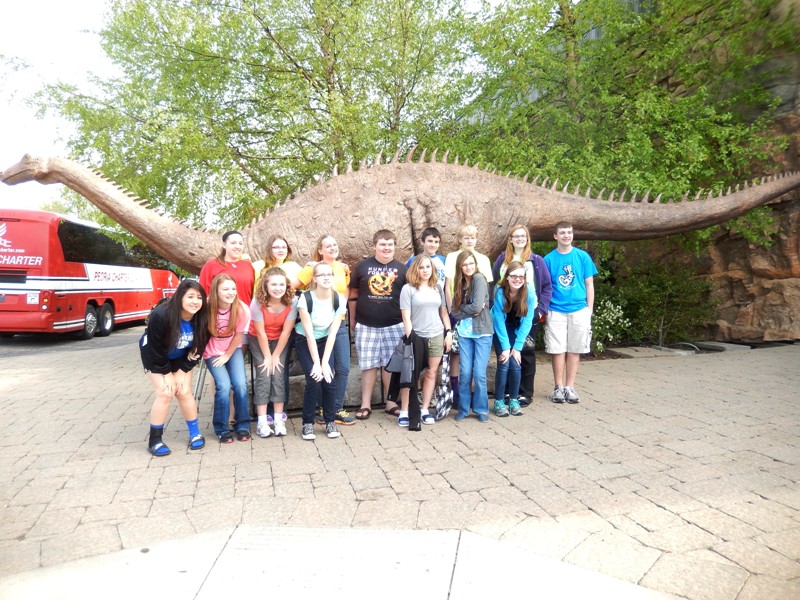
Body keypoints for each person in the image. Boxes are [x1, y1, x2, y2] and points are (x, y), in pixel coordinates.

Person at [140, 279, 210, 457]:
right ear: (180, 297)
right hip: (155, 356)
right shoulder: (161, 315)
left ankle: (195, 433)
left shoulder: (203, 317)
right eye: (190, 296)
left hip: (181, 356)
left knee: (184, 391)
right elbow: (155, 349)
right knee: (165, 392)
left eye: (199, 297)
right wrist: (167, 374)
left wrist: (182, 371)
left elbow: (199, 348)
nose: (195, 301)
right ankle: (154, 440)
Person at [295, 234, 353, 425]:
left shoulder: (342, 268)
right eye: (328, 246)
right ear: (320, 250)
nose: (332, 248)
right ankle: (323, 409)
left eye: (335, 244)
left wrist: (341, 308)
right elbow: (292, 286)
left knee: (343, 367)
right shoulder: (312, 268)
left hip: (336, 322)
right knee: (320, 368)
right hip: (315, 326)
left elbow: (345, 290)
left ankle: (335, 408)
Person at [349, 229, 407, 420]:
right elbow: (353, 295)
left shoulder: (402, 269)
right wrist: (353, 320)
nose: (386, 248)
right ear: (375, 246)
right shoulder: (362, 267)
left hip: (395, 325)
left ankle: (391, 403)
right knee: (368, 365)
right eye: (382, 244)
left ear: (394, 246)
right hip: (367, 325)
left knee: (390, 366)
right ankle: (365, 404)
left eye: (390, 244)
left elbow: (408, 299)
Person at [492, 224, 552, 406]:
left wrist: (540, 310)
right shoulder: (502, 259)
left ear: (527, 239)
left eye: (523, 236)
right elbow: (494, 282)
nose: (520, 239)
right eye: (516, 236)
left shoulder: (536, 260)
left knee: (525, 351)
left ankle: (525, 392)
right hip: (505, 310)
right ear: (510, 239)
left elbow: (547, 286)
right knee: (506, 350)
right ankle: (508, 392)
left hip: (527, 311)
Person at [543, 221, 598, 404]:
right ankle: (558, 387)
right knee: (557, 349)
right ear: (555, 236)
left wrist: (589, 309)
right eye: (562, 233)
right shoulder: (548, 259)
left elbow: (589, 284)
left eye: (569, 232)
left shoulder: (582, 257)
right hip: (556, 310)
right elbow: (545, 287)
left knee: (575, 349)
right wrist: (546, 309)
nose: (566, 235)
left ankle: (570, 387)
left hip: (579, 309)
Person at [397, 255, 453, 428]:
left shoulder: (437, 287)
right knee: (411, 375)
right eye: (421, 267)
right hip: (417, 335)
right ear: (416, 269)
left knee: (431, 373)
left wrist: (448, 332)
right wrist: (411, 337)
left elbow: (443, 312)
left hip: (436, 334)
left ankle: (425, 409)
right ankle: (405, 410)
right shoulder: (408, 289)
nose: (425, 270)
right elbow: (405, 317)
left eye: (428, 267)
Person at [443, 225, 494, 399]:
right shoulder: (452, 257)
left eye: (473, 237)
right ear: (460, 239)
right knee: (455, 353)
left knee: (475, 359)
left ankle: (473, 395)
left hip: (476, 314)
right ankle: (456, 391)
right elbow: (448, 286)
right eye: (466, 237)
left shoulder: (483, 259)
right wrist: (453, 310)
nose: (470, 241)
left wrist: (479, 308)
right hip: (457, 308)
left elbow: (486, 289)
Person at [204, 273, 252, 442]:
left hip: (232, 350)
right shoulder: (206, 307)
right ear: (216, 290)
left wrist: (227, 355)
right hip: (212, 351)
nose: (230, 292)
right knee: (223, 386)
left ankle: (243, 425)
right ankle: (221, 428)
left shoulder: (241, 309)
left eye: (233, 288)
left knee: (240, 384)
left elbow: (238, 335)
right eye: (225, 289)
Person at [249, 267, 296, 438]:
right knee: (264, 373)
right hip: (258, 338)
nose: (278, 288)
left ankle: (278, 419)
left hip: (280, 339)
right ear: (266, 286)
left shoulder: (292, 302)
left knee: (278, 373)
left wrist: (275, 356)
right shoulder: (257, 303)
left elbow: (286, 332)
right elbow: (260, 333)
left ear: (287, 285)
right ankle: (262, 421)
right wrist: (267, 357)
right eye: (274, 284)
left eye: (281, 284)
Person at [450, 251, 493, 422]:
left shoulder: (479, 279)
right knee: (465, 372)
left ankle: (481, 409)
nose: (468, 267)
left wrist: (464, 308)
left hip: (482, 331)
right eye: (465, 264)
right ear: (460, 267)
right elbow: (454, 311)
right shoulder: (459, 283)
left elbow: (477, 308)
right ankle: (463, 409)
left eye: (471, 263)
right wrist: (468, 309)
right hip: (464, 333)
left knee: (479, 373)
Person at [491, 261, 537, 416]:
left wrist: (516, 348)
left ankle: (513, 400)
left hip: (517, 331)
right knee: (504, 362)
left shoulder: (529, 292)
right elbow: (498, 321)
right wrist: (505, 347)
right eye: (514, 276)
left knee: (516, 364)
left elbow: (528, 321)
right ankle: (499, 401)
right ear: (507, 277)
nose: (518, 279)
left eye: (521, 277)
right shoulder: (500, 292)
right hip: (500, 331)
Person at [199, 230, 256, 307]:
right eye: (233, 243)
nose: (237, 246)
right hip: (218, 312)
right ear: (224, 245)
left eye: (240, 243)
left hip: (244, 312)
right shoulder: (211, 265)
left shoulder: (248, 266)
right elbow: (203, 293)